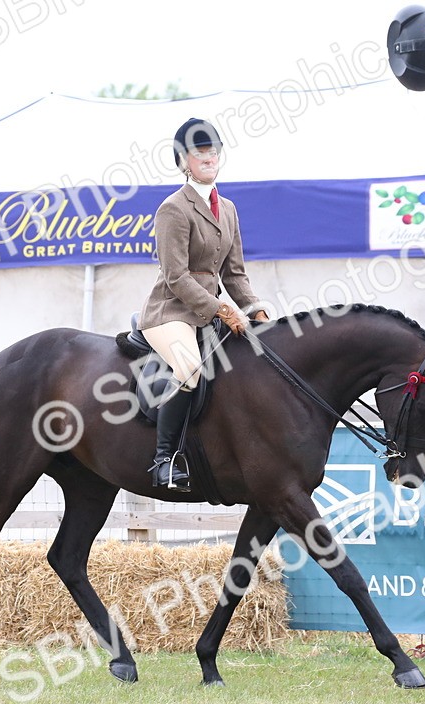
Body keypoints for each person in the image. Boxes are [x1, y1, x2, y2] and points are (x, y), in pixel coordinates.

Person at [139, 118, 269, 491]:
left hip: (208, 312)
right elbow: (177, 277)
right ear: (184, 161)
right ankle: (164, 460)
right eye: (200, 152)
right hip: (170, 312)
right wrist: (223, 310)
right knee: (191, 368)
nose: (209, 156)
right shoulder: (173, 209)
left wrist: (255, 308)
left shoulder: (227, 208)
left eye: (213, 150)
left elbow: (234, 275)